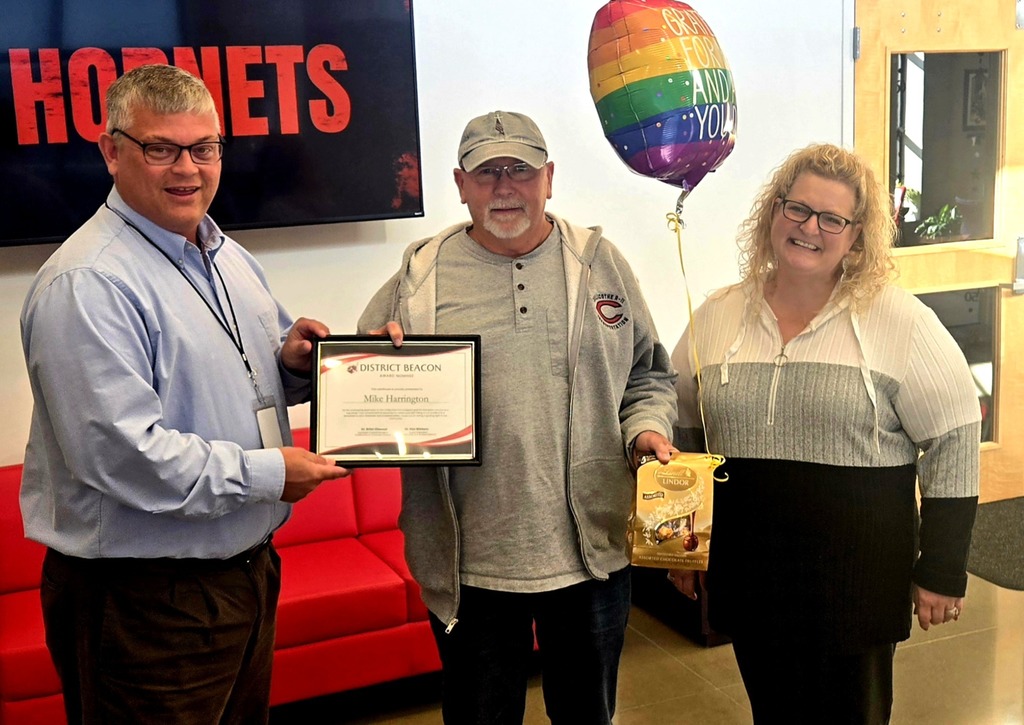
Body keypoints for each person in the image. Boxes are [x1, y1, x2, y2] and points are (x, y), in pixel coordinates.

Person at [19, 64, 348, 725]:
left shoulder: (222, 252)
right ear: (112, 151)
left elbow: (237, 372)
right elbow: (122, 457)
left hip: (244, 576)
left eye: (204, 148)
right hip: (146, 602)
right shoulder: (89, 284)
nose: (188, 170)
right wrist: (271, 473)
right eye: (161, 148)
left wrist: (294, 363)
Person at [357, 110, 678, 724]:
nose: (504, 187)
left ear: (549, 178)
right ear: (460, 183)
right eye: (486, 173)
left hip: (592, 554)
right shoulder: (419, 275)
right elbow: (363, 380)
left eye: (521, 171)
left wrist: (647, 429)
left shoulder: (601, 264)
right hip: (469, 565)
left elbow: (648, 373)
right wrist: (379, 369)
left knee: (588, 717)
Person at [668, 143, 980, 723]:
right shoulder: (717, 314)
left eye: (832, 218)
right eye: (797, 209)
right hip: (753, 580)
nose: (810, 228)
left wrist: (940, 568)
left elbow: (954, 438)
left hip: (855, 588)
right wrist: (680, 546)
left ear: (857, 236)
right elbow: (683, 431)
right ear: (772, 213)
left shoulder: (901, 321)